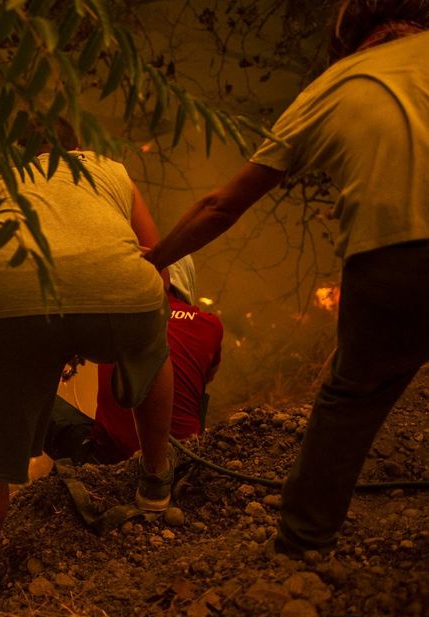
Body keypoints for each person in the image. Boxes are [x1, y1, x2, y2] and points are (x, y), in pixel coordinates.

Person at [144, 0, 429, 557]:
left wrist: (155, 260)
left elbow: (222, 206)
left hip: (395, 257)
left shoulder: (335, 84)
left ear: (348, 39)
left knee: (352, 398)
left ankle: (302, 545)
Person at [0, 135, 176, 593]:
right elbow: (159, 259)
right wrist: (135, 322)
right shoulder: (111, 170)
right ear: (78, 145)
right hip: (120, 296)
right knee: (153, 346)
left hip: (5, 311)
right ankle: (156, 479)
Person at [46, 256, 223, 465]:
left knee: (21, 391)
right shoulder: (210, 325)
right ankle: (189, 446)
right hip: (185, 460)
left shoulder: (112, 316)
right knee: (195, 389)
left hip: (110, 460)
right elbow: (206, 377)